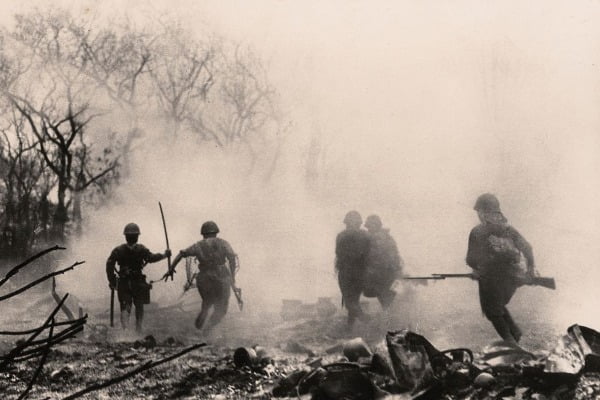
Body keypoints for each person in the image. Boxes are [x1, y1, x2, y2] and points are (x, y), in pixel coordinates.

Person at [466, 193, 536, 345]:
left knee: (492, 311)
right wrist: (531, 269)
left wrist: (476, 271)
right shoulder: (509, 230)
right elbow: (527, 248)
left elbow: (471, 259)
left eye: (480, 212)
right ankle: (515, 334)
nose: (479, 215)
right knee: (497, 306)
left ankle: (511, 342)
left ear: (484, 213)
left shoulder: (477, 232)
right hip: (511, 281)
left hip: (490, 281)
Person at [168, 221, 238, 332]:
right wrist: (232, 276)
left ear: (203, 233)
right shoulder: (224, 243)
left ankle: (203, 313)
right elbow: (232, 258)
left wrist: (171, 268)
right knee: (222, 309)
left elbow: (181, 254)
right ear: (216, 232)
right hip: (222, 277)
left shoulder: (198, 245)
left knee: (207, 301)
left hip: (204, 277)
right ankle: (208, 328)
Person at [106, 223, 171, 332]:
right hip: (137, 282)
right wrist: (165, 255)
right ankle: (138, 329)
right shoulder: (141, 249)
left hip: (124, 283)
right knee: (139, 307)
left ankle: (126, 330)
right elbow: (152, 258)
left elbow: (109, 265)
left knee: (126, 306)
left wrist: (112, 280)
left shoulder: (118, 250)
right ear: (137, 236)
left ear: (125, 236)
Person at [335, 211, 371, 328]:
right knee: (354, 299)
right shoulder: (365, 235)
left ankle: (364, 320)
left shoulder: (341, 236)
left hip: (346, 272)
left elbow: (338, 253)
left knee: (349, 301)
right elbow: (370, 253)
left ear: (346, 222)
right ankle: (350, 326)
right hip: (361, 273)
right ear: (359, 223)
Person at [363, 214, 404, 309]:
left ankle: (388, 319)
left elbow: (387, 256)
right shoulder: (387, 237)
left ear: (377, 225)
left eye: (370, 226)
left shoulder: (378, 238)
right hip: (388, 274)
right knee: (387, 302)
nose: (368, 228)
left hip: (382, 274)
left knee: (386, 300)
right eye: (368, 227)